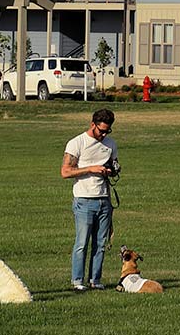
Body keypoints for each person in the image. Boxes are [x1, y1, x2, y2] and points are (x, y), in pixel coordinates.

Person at [61, 108, 118, 291]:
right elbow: (65, 172)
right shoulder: (77, 143)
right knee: (82, 243)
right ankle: (77, 281)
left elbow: (115, 165)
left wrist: (111, 170)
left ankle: (95, 280)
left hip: (104, 199)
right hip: (84, 199)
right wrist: (90, 169)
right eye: (101, 130)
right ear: (92, 124)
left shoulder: (110, 144)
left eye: (107, 131)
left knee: (101, 244)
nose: (103, 135)